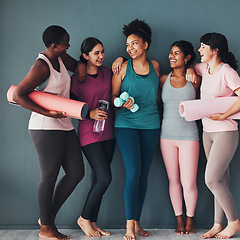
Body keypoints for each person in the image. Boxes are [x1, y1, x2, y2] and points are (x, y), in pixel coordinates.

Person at [12, 25, 85, 240]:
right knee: (49, 175)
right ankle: (45, 228)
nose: (68, 45)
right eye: (65, 43)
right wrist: (47, 112)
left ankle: (48, 217)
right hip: (45, 125)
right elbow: (19, 95)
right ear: (54, 46)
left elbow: (77, 64)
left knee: (76, 172)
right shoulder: (41, 65)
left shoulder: (61, 57)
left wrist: (80, 66)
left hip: (65, 123)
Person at [193, 32, 240, 239]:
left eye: (203, 46)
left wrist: (224, 115)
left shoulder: (226, 71)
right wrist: (192, 73)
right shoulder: (204, 68)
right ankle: (218, 224)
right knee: (221, 181)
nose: (199, 50)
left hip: (225, 132)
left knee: (211, 179)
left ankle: (234, 222)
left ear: (215, 50)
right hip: (207, 132)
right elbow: (191, 68)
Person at [112, 19, 161, 240]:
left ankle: (137, 222)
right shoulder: (121, 67)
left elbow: (159, 95)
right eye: (127, 45)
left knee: (143, 175)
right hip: (126, 125)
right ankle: (129, 226)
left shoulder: (156, 67)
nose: (130, 48)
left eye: (134, 44)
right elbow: (113, 96)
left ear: (145, 45)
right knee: (133, 171)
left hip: (151, 125)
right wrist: (122, 102)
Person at [70, 37, 115, 237]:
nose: (101, 56)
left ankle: (93, 222)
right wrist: (90, 113)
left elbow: (119, 66)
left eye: (102, 52)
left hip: (108, 132)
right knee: (105, 177)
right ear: (85, 56)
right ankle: (84, 218)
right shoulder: (76, 79)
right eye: (96, 53)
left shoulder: (107, 72)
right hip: (89, 134)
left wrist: (120, 58)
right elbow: (70, 108)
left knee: (99, 178)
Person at [159, 40, 200, 235]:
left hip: (189, 137)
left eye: (176, 53)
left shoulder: (195, 79)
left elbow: (208, 67)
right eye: (170, 52)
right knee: (173, 180)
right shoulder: (163, 79)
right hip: (166, 136)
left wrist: (192, 68)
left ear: (187, 57)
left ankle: (191, 220)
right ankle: (179, 220)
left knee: (189, 182)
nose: (171, 56)